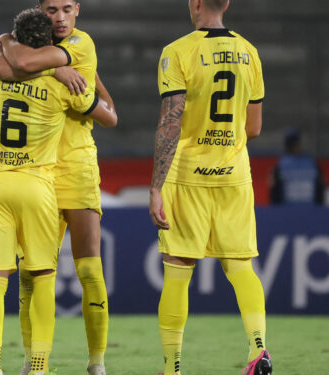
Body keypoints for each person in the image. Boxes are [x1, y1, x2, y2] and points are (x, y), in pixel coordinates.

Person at [0, 8, 117, 375]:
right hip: (38, 172)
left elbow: (7, 69)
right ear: (42, 12)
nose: (60, 16)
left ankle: (96, 361)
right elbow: (15, 66)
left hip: (73, 166)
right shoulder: (33, 56)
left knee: (88, 268)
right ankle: (32, 362)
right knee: (31, 274)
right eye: (52, 9)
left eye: (67, 8)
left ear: (78, 10)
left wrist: (6, 41)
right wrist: (54, 70)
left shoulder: (79, 44)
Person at [149, 1, 271, 374]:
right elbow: (253, 129)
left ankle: (171, 369)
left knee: (177, 269)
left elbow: (172, 121)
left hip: (188, 174)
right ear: (227, 3)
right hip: (233, 173)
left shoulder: (178, 52)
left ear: (195, 3)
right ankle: (258, 351)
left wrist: (156, 187)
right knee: (241, 267)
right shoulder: (249, 53)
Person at [269, 128, 325, 205]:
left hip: (287, 213)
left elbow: (274, 194)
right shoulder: (311, 164)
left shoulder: (280, 166)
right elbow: (320, 190)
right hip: (310, 212)